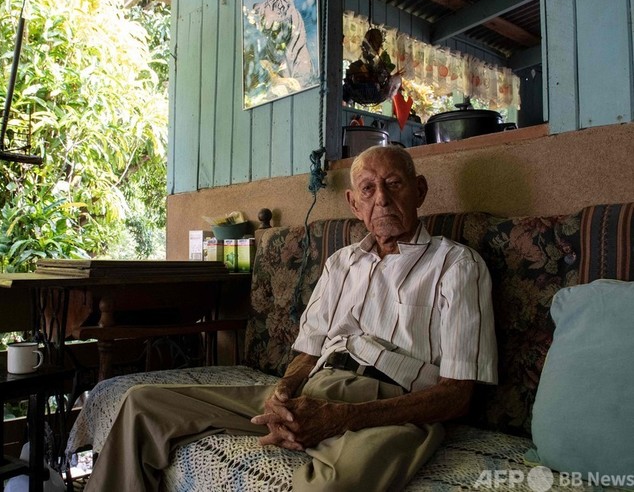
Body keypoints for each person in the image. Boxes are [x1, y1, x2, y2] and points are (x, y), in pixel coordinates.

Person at [85, 145, 498, 492]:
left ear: (419, 190)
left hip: (390, 407)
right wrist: (283, 393)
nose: (382, 200)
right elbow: (308, 352)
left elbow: (457, 395)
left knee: (330, 487)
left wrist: (341, 418)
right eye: (369, 189)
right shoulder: (341, 263)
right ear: (354, 203)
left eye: (394, 184)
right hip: (314, 387)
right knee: (142, 403)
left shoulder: (456, 265)